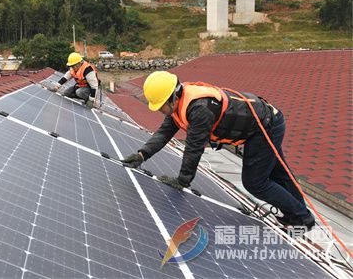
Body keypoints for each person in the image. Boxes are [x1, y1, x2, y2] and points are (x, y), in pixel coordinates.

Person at [122, 71, 315, 229]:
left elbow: (194, 148)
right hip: (265, 121)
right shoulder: (180, 103)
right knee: (278, 172)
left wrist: (182, 181)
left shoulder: (199, 108)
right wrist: (142, 154)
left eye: (160, 106)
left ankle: (301, 217)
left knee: (255, 182)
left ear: (172, 97)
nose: (158, 110)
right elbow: (163, 133)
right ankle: (300, 217)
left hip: (266, 125)